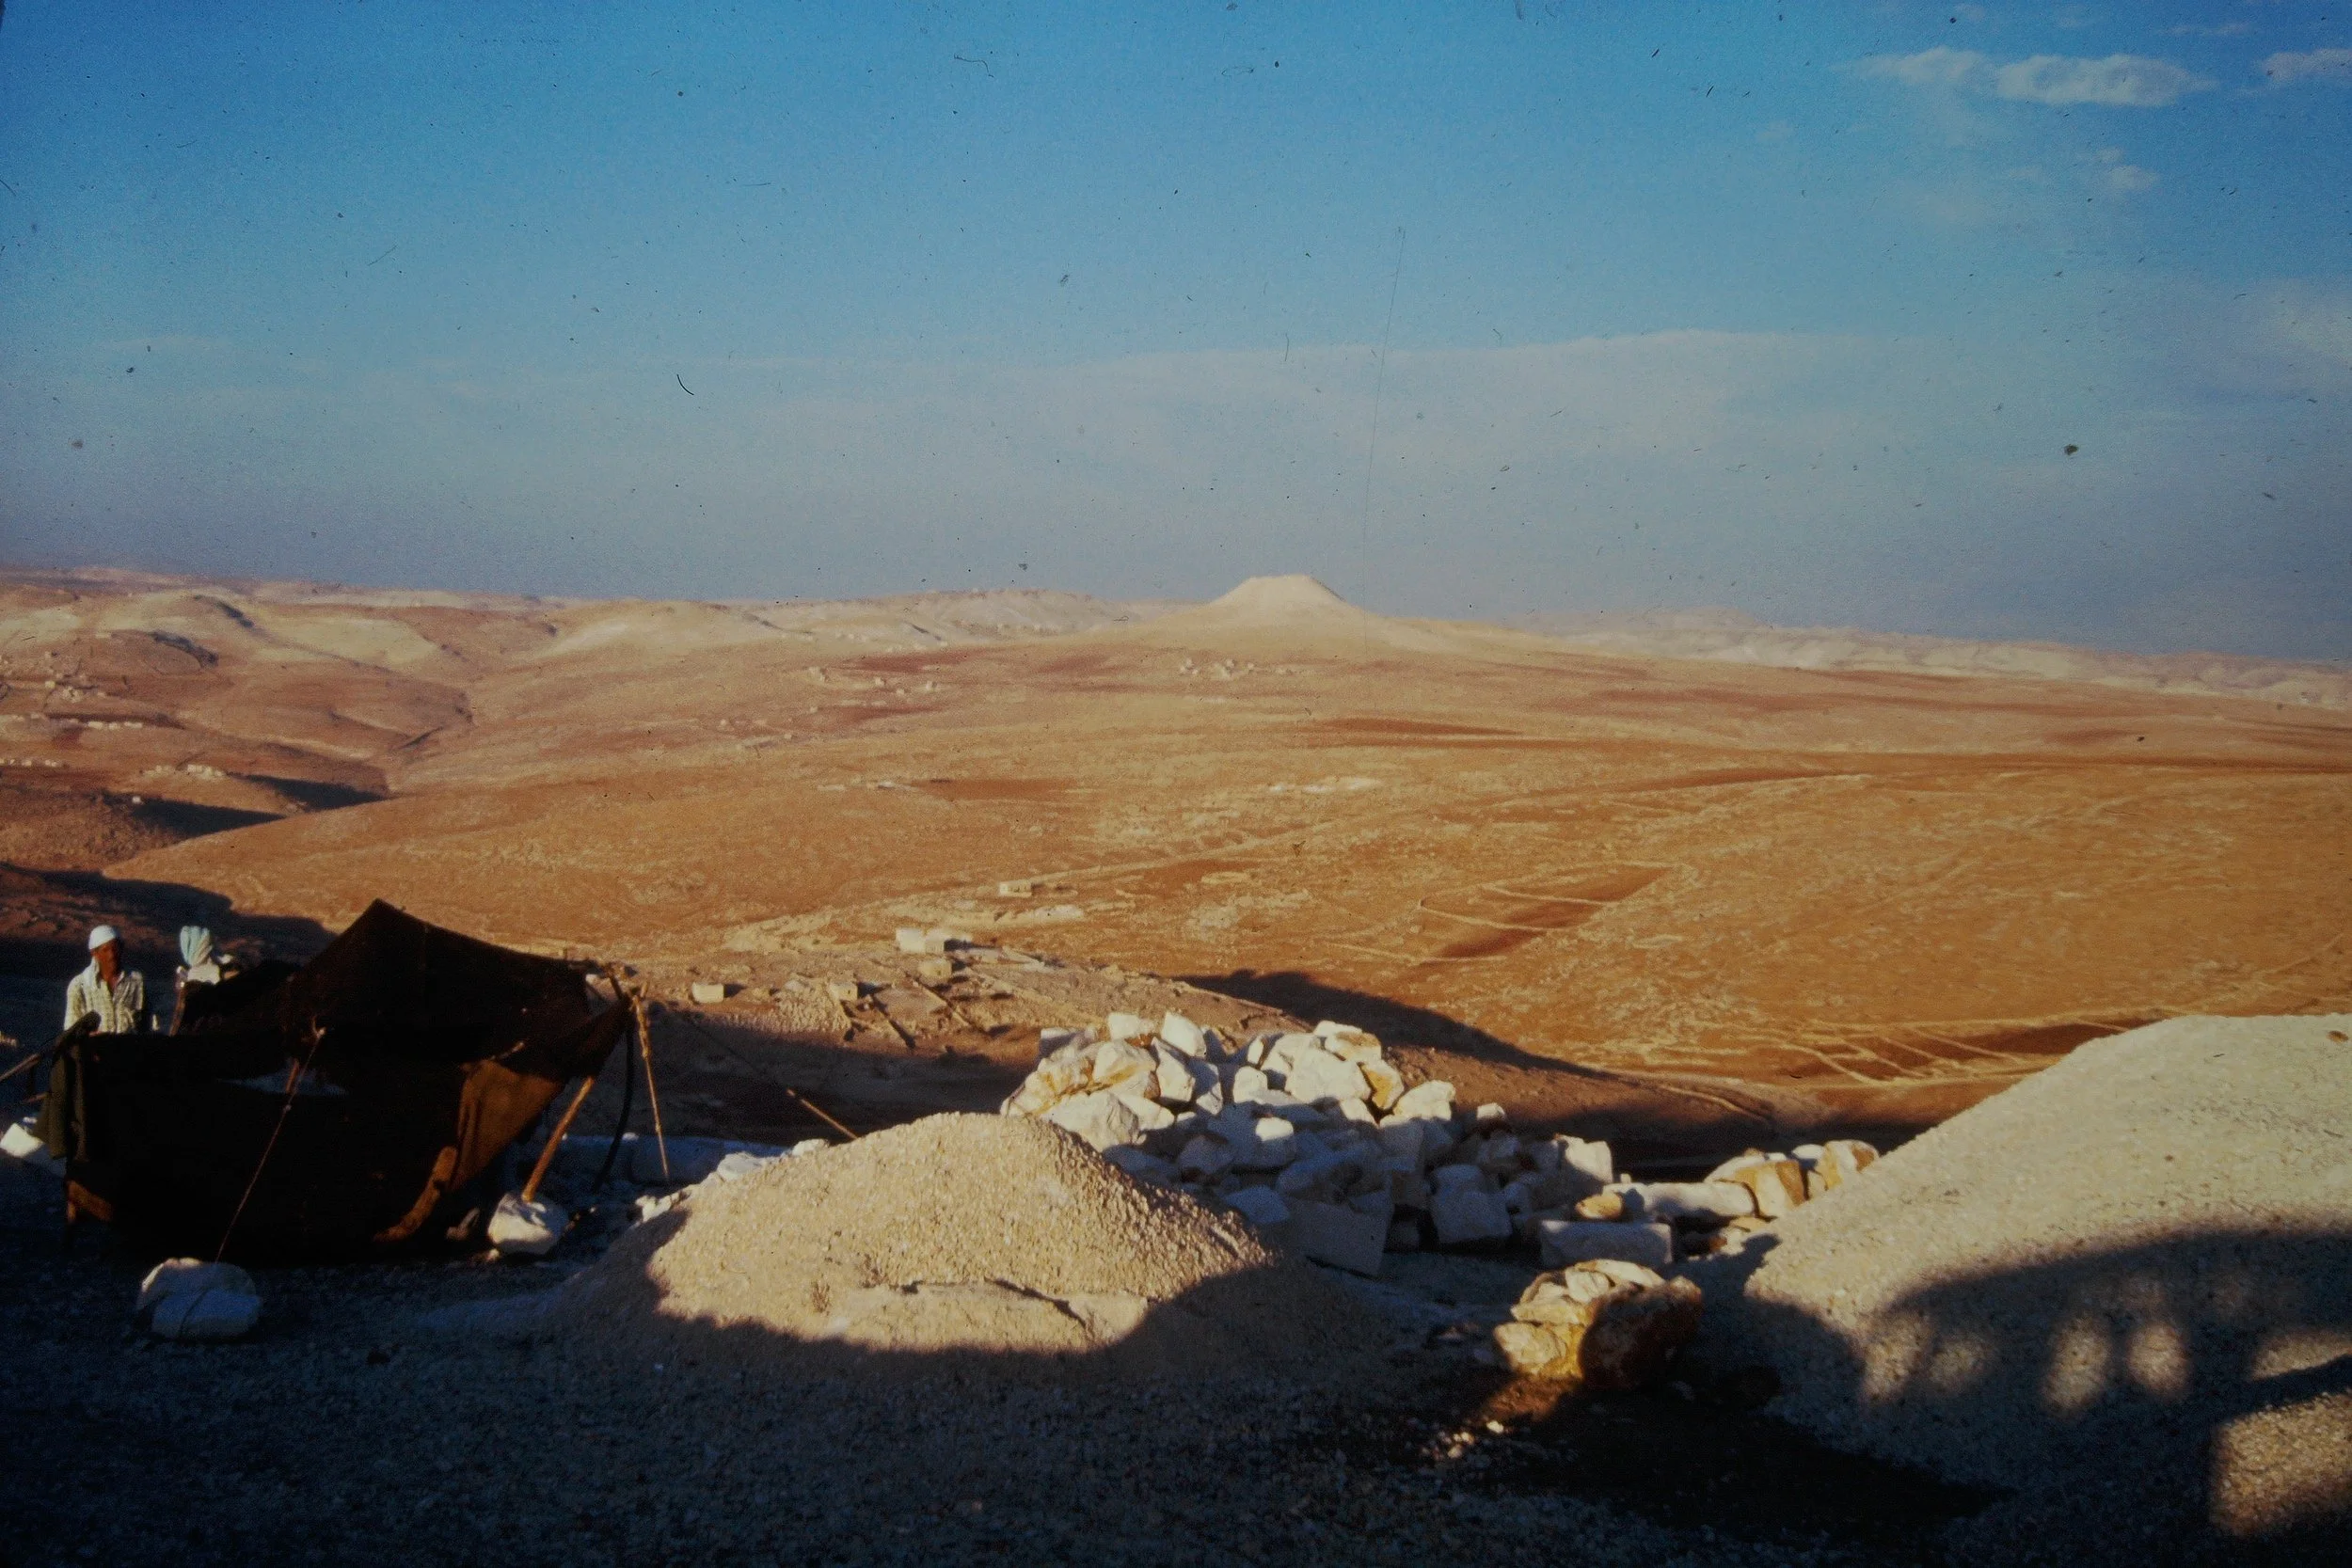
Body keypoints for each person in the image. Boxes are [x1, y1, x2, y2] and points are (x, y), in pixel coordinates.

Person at [65, 925, 151, 1036]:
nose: (111, 955)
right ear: (94, 953)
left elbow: (150, 1023)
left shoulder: (137, 981)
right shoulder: (79, 985)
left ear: (122, 948)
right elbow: (70, 1031)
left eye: (115, 948)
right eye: (105, 950)